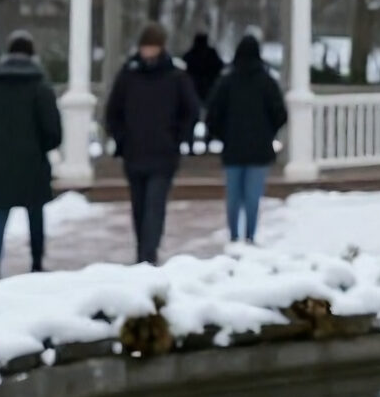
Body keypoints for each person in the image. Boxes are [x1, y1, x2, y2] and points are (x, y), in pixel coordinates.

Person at [103, 22, 198, 265]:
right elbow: (113, 111)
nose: (148, 52)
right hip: (134, 153)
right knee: (139, 208)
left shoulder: (175, 77)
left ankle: (148, 254)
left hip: (163, 153)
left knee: (155, 206)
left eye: (152, 47)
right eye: (145, 47)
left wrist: (178, 138)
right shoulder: (128, 75)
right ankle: (142, 251)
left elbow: (191, 110)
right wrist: (121, 137)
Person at [0, 32, 62, 278]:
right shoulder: (41, 88)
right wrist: (41, 147)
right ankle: (36, 265)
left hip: (0, 162)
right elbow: (53, 130)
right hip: (33, 163)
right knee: (35, 215)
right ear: (33, 55)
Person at [205, 34, 285, 245]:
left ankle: (233, 235)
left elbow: (212, 115)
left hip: (233, 148)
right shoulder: (267, 82)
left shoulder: (226, 82)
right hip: (260, 150)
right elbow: (280, 114)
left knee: (233, 197)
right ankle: (250, 236)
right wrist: (269, 132)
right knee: (252, 197)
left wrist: (223, 135)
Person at [182, 33, 226, 129]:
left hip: (194, 89)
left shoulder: (192, 54)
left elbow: (184, 60)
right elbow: (220, 66)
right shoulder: (211, 53)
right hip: (208, 90)